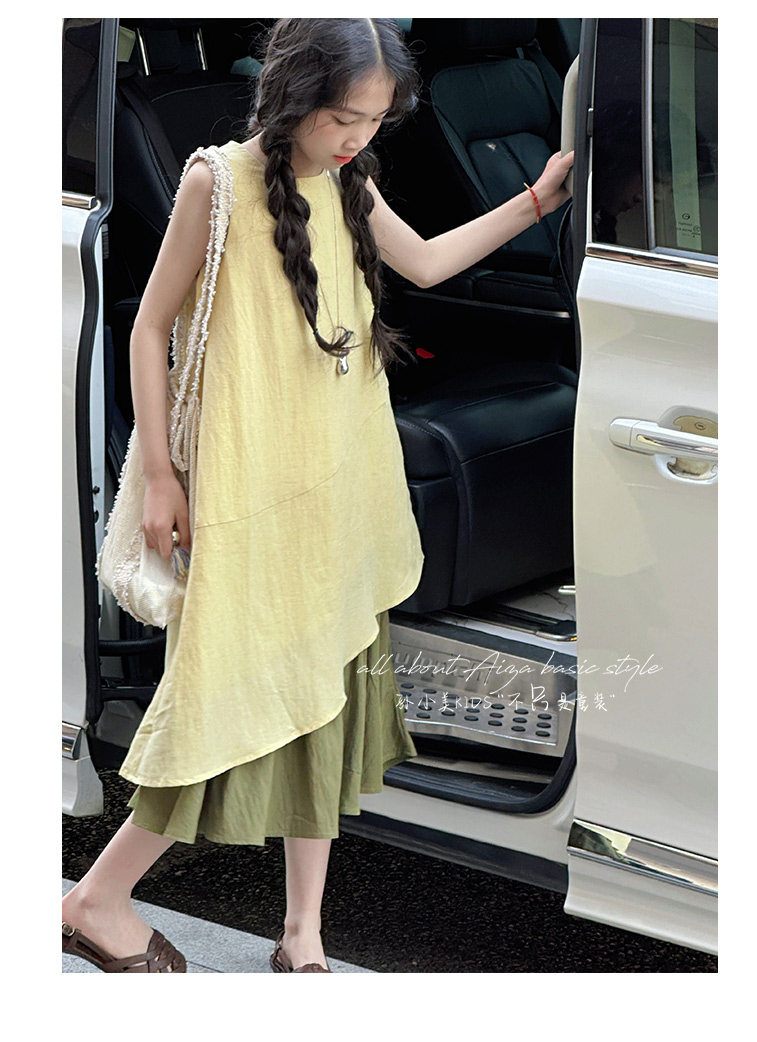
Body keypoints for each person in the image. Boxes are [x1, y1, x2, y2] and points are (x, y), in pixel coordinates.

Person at [62, 17, 574, 974]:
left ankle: (303, 934)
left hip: (337, 483)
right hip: (250, 489)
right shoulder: (216, 182)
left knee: (325, 699)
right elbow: (148, 328)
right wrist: (163, 476)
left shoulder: (349, 178)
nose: (357, 137)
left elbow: (425, 263)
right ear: (294, 95)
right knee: (223, 702)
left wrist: (537, 201)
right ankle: (94, 899)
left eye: (375, 121)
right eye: (344, 117)